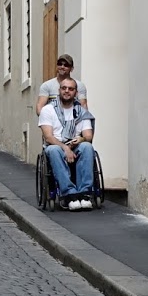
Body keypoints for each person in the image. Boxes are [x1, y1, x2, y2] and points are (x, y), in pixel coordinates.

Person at [37, 78, 96, 211]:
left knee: (87, 147)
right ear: (59, 90)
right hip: (56, 144)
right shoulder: (48, 110)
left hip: (75, 144)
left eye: (70, 89)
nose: (67, 91)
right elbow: (48, 137)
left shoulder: (81, 111)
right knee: (53, 150)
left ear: (76, 93)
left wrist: (80, 140)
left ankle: (84, 193)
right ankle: (69, 194)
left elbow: (88, 136)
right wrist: (65, 148)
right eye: (64, 88)